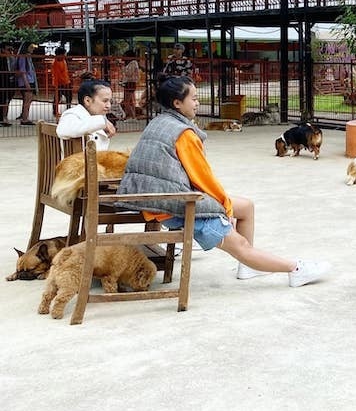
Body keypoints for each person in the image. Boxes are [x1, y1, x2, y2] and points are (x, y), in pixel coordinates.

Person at [118, 76, 330, 287]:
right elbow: (203, 178)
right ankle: (295, 269)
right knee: (240, 245)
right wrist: (224, 208)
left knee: (246, 207)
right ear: (177, 103)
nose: (197, 103)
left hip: (161, 198)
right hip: (175, 205)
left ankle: (247, 267)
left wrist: (224, 204)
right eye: (194, 98)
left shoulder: (159, 121)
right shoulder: (183, 134)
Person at [56, 78, 117, 150]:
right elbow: (62, 131)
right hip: (80, 157)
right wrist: (103, 121)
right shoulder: (72, 114)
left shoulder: (98, 115)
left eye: (110, 101)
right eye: (105, 101)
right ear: (87, 100)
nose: (109, 106)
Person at [12, 42, 38, 125]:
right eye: (31, 47)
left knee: (28, 100)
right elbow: (23, 71)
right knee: (27, 100)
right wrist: (27, 83)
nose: (33, 49)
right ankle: (24, 119)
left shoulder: (27, 57)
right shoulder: (23, 57)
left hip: (29, 80)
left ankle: (24, 116)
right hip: (26, 81)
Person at [51, 46, 72, 118]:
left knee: (69, 97)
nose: (65, 55)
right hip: (59, 83)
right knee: (57, 98)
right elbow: (57, 75)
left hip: (66, 81)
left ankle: (68, 109)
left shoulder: (63, 60)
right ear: (60, 54)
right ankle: (55, 111)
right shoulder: (55, 63)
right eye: (64, 54)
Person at [120, 50, 140, 121]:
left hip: (130, 83)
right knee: (131, 101)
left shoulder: (133, 63)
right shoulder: (131, 63)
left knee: (126, 102)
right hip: (129, 82)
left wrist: (122, 67)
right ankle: (132, 116)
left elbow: (128, 73)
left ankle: (133, 117)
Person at [0, 42, 15, 126]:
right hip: (3, 81)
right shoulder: (2, 59)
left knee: (7, 100)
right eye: (8, 49)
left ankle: (4, 118)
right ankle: (2, 118)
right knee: (3, 100)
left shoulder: (9, 59)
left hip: (8, 81)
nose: (10, 51)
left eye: (11, 49)